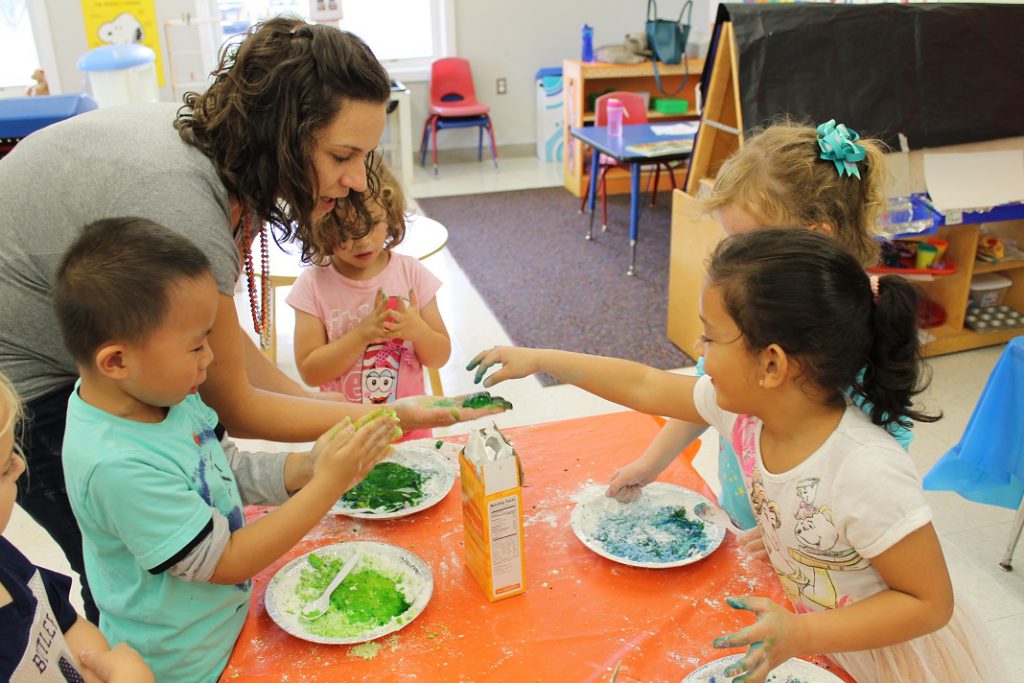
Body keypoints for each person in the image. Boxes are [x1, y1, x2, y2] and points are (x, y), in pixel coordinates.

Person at [0, 16, 504, 622]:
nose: (352, 182)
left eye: (364, 157)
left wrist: (335, 421)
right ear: (282, 134)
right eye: (342, 155)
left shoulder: (221, 154)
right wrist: (385, 418)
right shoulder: (181, 199)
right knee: (128, 570)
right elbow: (233, 402)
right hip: (25, 368)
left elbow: (221, 346)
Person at [468, 230, 1006, 683]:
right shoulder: (746, 414)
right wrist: (541, 358)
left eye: (709, 337)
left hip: (887, 657)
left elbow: (929, 604)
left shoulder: (865, 468)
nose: (699, 355)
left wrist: (803, 633)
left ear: (771, 365)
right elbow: (642, 382)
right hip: (810, 633)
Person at [54, 218, 400, 683]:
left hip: (230, 628)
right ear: (117, 361)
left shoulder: (166, 394)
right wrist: (327, 484)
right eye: (196, 346)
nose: (210, 359)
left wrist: (305, 467)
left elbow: (226, 469)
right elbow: (226, 560)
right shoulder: (115, 464)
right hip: (185, 664)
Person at [606, 119, 902, 533]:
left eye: (748, 244)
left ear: (814, 237)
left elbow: (879, 472)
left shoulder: (854, 328)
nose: (734, 260)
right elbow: (702, 397)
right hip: (747, 518)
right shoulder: (756, 307)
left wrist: (799, 531)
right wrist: (651, 463)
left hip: (817, 547)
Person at [0, 370, 154, 683]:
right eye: (3, 469)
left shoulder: (6, 559)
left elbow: (67, 624)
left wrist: (99, 664)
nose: (19, 466)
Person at [288, 161, 450, 441]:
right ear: (321, 226)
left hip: (411, 432)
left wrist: (417, 331)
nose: (362, 241)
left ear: (390, 214)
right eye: (346, 231)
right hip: (345, 434)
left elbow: (440, 355)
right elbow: (311, 373)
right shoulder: (312, 286)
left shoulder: (411, 274)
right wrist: (362, 335)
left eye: (373, 224)